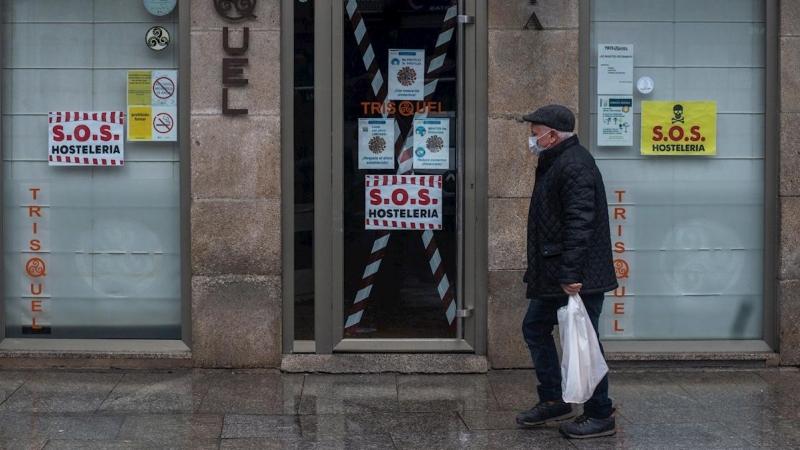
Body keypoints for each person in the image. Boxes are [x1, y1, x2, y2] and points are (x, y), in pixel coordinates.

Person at [515, 104, 619, 439]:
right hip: (556, 270)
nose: (532, 140)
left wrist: (571, 272)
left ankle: (601, 413)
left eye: (535, 135)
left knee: (584, 342)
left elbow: (580, 221)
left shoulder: (574, 164)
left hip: (574, 275)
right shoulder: (556, 160)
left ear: (552, 135)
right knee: (535, 327)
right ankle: (555, 398)